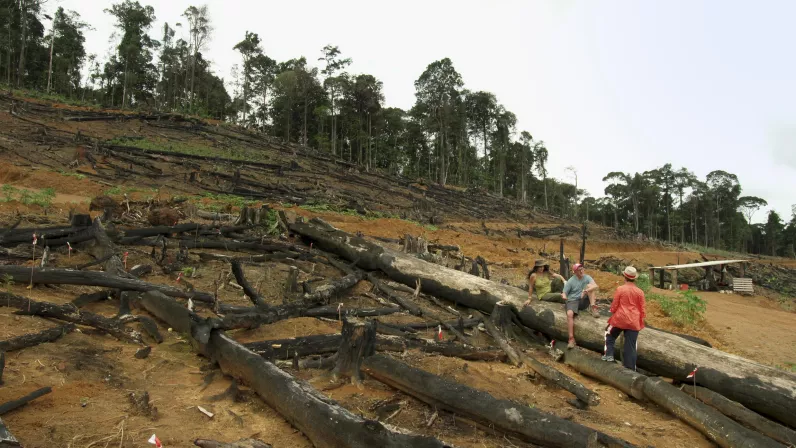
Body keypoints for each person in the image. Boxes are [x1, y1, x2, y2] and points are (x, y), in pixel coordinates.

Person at [602, 266, 646, 370]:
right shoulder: (640, 292)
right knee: (630, 346)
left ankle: (609, 356)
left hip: (620, 319)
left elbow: (614, 305)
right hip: (634, 321)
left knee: (609, 334)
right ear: (634, 278)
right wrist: (639, 319)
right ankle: (630, 369)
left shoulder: (620, 289)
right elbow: (643, 309)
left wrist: (612, 312)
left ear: (624, 276)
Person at [563, 263, 600, 348]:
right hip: (573, 300)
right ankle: (571, 339)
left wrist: (585, 290)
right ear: (575, 272)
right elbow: (565, 292)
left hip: (583, 300)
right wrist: (564, 296)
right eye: (579, 270)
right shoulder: (571, 281)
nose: (582, 271)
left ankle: (593, 308)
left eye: (582, 269)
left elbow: (595, 286)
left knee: (590, 286)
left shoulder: (587, 277)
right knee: (569, 314)